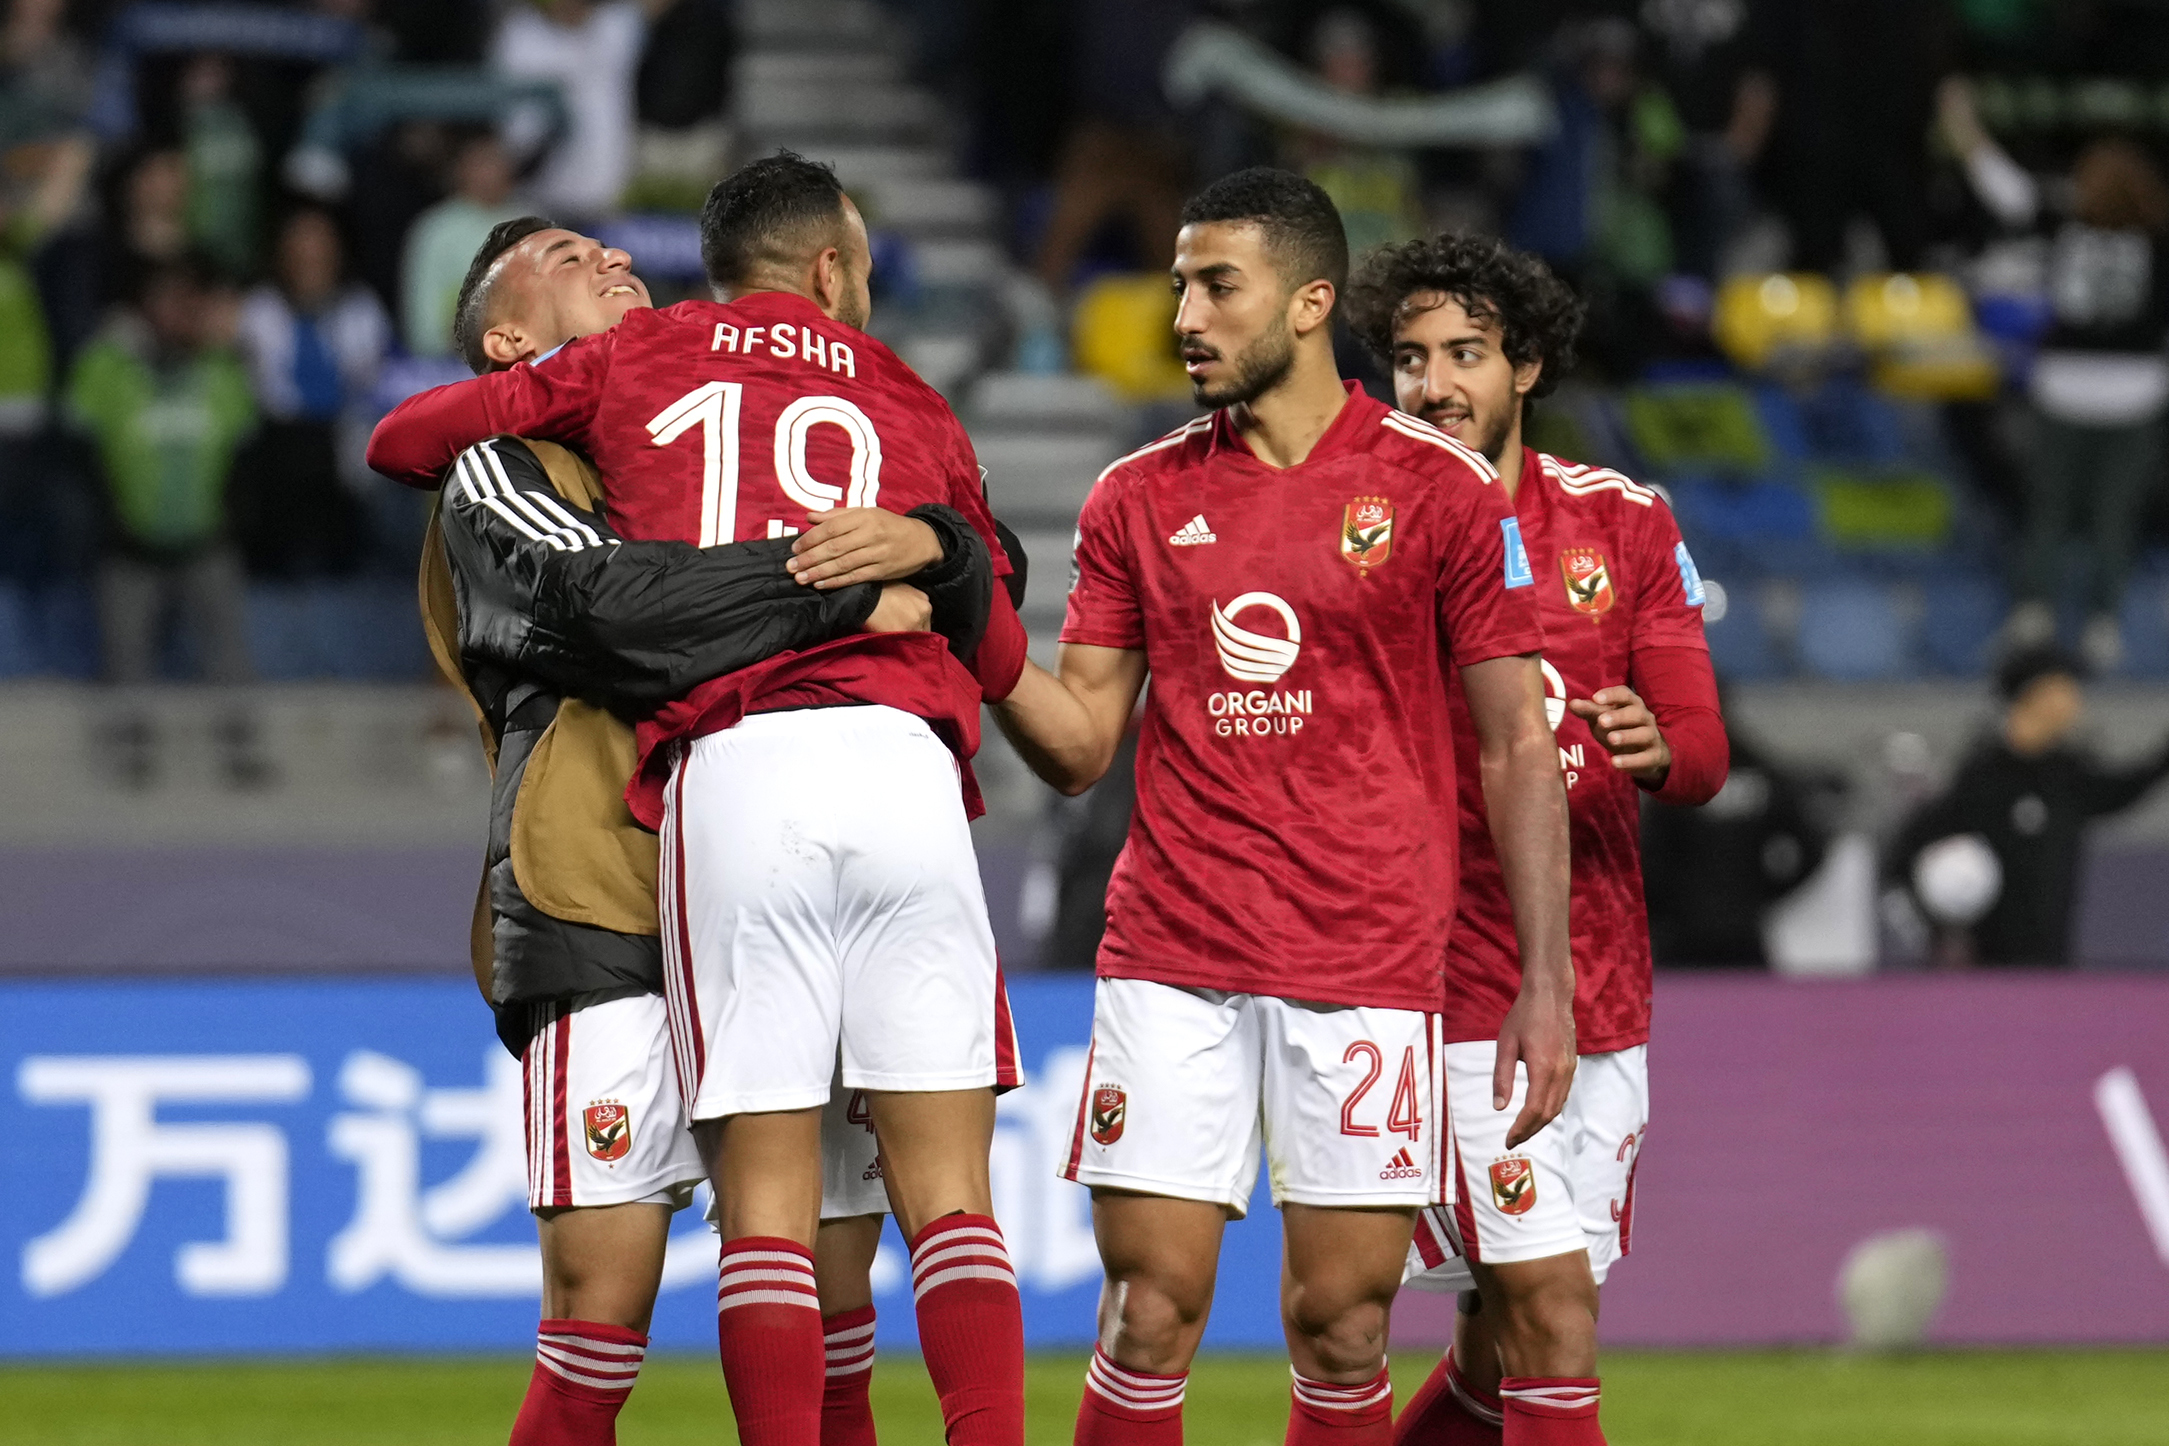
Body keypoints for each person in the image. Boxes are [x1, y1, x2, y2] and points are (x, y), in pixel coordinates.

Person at [368, 152, 1031, 1446]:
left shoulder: (674, 401)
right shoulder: (503, 464)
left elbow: (974, 557)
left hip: (742, 846)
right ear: (506, 344)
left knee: (838, 1277)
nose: (613, 261)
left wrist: (934, 554)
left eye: (614, 252)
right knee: (602, 1303)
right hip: (602, 904)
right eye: (568, 261)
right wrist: (849, 585)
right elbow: (621, 618)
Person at [991, 169, 1573, 1446]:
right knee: (1149, 1307)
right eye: (1180, 285)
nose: (1184, 315)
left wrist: (1544, 979)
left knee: (1346, 1324)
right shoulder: (1136, 496)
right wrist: (978, 637)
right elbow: (1084, 743)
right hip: (1174, 954)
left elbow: (1518, 744)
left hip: (1369, 959)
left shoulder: (1440, 490)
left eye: (1216, 286)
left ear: (1309, 302)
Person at [1342, 233, 1728, 1446]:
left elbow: (1704, 753)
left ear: (1531, 368)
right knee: (1553, 1317)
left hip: (1601, 987)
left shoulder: (1624, 526)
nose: (1434, 383)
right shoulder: (1361, 537)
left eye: (1466, 353)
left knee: (1501, 1357)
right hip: (1443, 996)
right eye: (1409, 358)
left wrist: (1655, 746)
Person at [68, 254, 260, 785]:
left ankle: (239, 746)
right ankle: (129, 752)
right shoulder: (107, 367)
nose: (179, 312)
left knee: (228, 651)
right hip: (129, 545)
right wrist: (106, 519)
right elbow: (80, 452)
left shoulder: (223, 369)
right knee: (124, 655)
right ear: (143, 307)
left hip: (207, 541)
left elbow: (246, 457)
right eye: (167, 300)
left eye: (188, 301)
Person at [1889, 645, 2169, 967]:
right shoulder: (1983, 775)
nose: (2074, 699)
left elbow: (2121, 791)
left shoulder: (2068, 772)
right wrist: (1941, 930)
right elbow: (1910, 850)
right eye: (2063, 687)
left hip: (2052, 962)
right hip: (1986, 970)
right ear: (2034, 695)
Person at [232, 207, 388, 579]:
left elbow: (370, 384)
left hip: (345, 439)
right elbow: (257, 389)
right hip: (277, 443)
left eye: (319, 243)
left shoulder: (361, 309)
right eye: (299, 243)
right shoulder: (259, 310)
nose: (309, 255)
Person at [402, 129, 527, 356]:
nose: (489, 173)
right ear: (460, 170)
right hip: (449, 362)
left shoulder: (533, 223)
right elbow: (423, 325)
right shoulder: (435, 229)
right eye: (480, 163)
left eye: (495, 162)